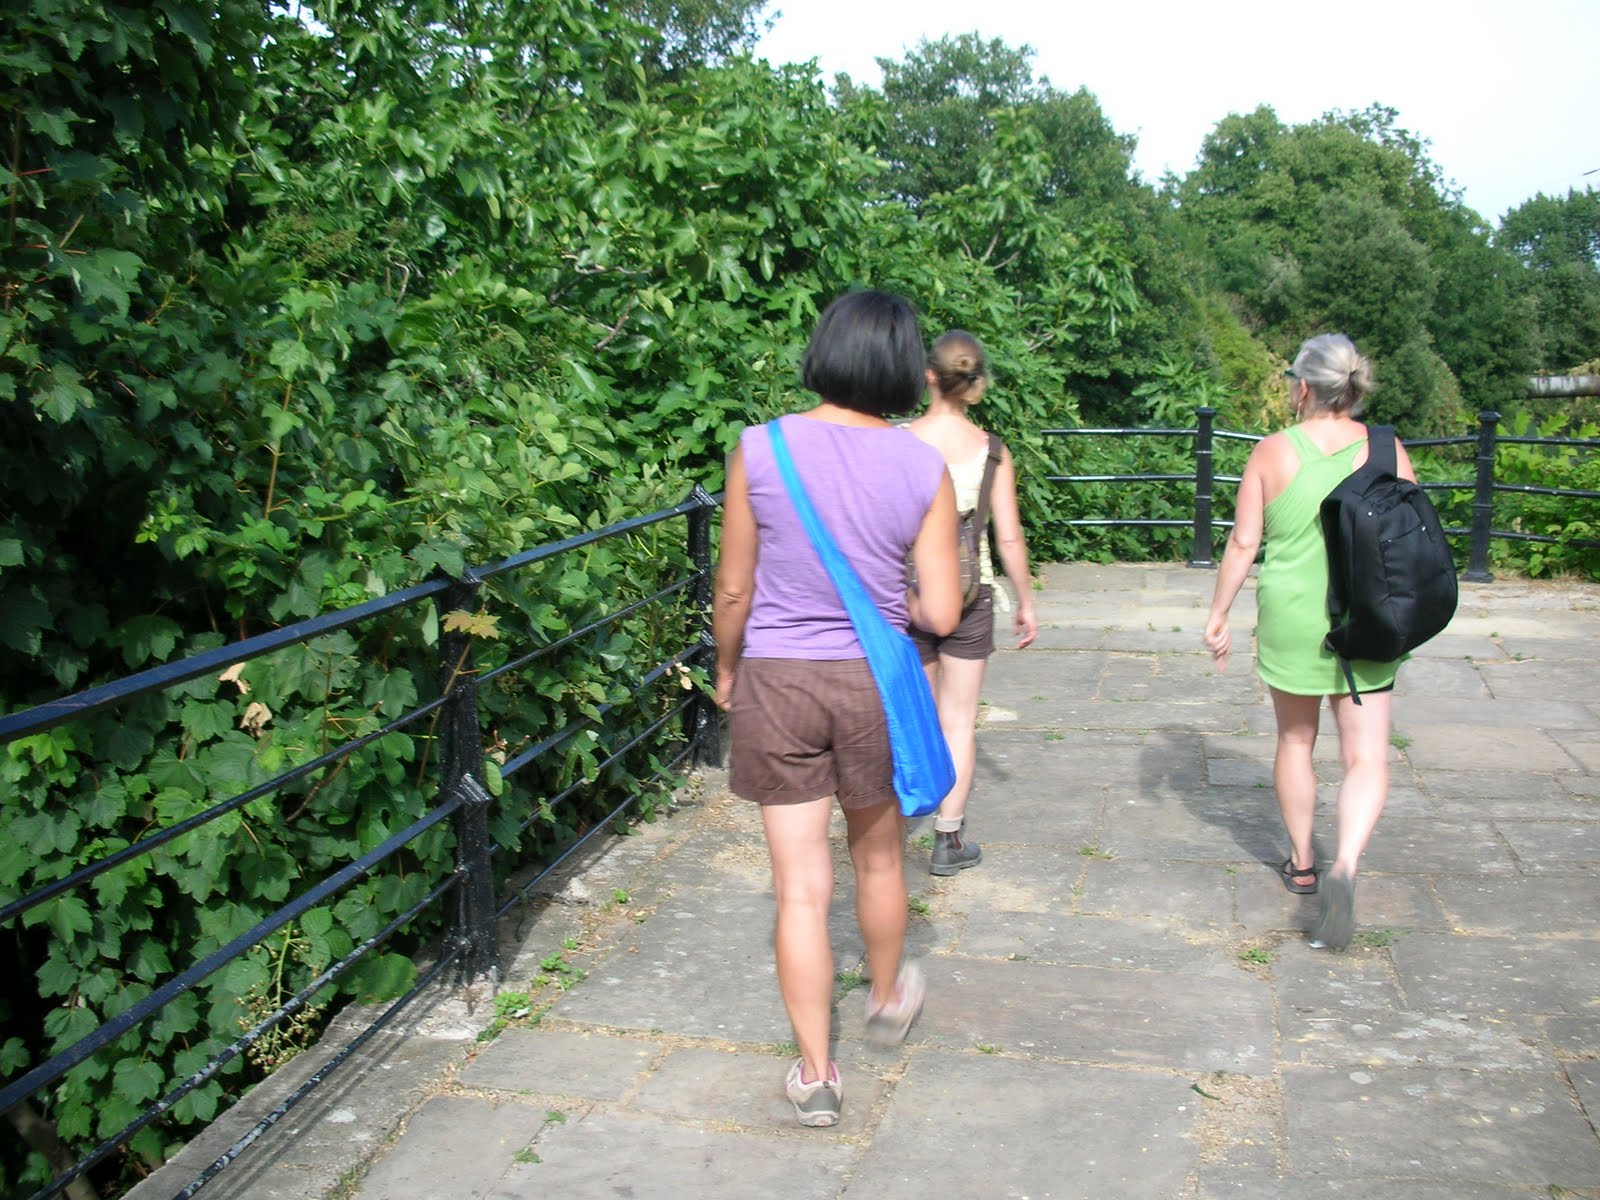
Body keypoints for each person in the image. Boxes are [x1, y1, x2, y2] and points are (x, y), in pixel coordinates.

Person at [713, 290, 963, 1128]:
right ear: (902, 366)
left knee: (798, 889)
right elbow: (942, 613)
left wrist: (724, 668)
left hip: (779, 679)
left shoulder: (760, 448)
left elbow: (735, 588)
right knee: (881, 861)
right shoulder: (922, 467)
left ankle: (817, 1075)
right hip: (871, 684)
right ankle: (888, 995)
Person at [1202, 332, 1410, 952]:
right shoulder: (1387, 448)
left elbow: (1243, 543)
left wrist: (1219, 613)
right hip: (1369, 618)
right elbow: (1407, 534)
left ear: (1302, 387)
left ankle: (1301, 863)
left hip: (1294, 616)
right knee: (1366, 755)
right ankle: (1344, 863)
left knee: (1296, 739)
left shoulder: (1272, 452)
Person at [906, 330, 1038, 875]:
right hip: (970, 593)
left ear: (929, 376)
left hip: (908, 594)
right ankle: (949, 839)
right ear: (974, 379)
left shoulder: (901, 441)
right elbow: (1007, 536)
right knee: (959, 719)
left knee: (911, 714)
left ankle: (887, 828)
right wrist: (1024, 599)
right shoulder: (992, 451)